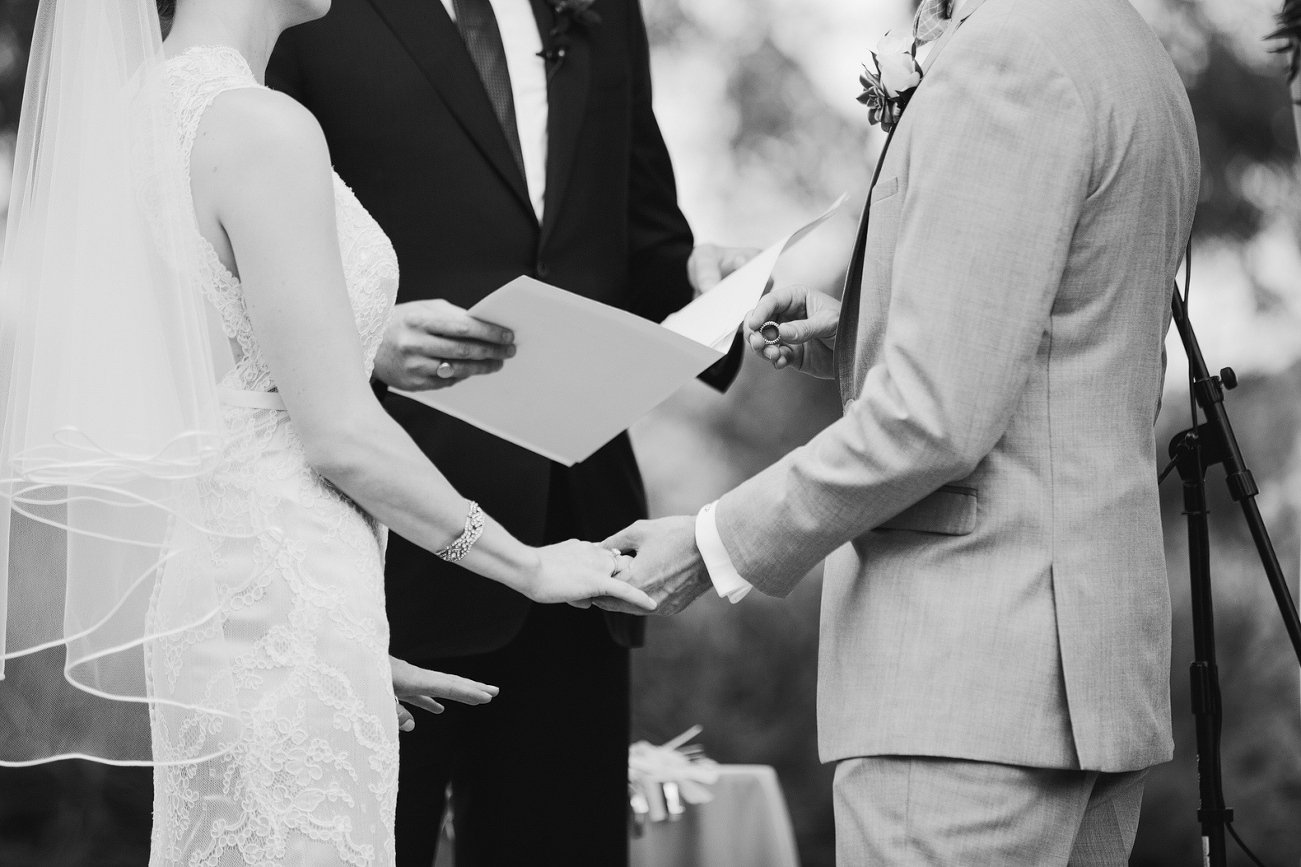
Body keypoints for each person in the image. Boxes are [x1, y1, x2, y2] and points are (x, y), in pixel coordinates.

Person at [0, 1, 656, 866]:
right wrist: (530, 565)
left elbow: (183, 416)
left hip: (231, 602)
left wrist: (338, 636)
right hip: (282, 591)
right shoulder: (261, 127)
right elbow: (338, 431)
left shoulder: (139, 113)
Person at [600, 0, 1200, 863]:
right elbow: (1055, 351)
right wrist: (855, 331)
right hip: (1088, 672)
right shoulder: (1126, 48)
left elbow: (930, 418)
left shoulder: (1004, 58)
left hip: (967, 682)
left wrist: (709, 544)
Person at [265, 2, 753, 864]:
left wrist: (709, 287)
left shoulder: (602, 11)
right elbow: (231, 259)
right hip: (378, 535)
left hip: (578, 541)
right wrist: (360, 339)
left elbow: (643, 243)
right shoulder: (301, 11)